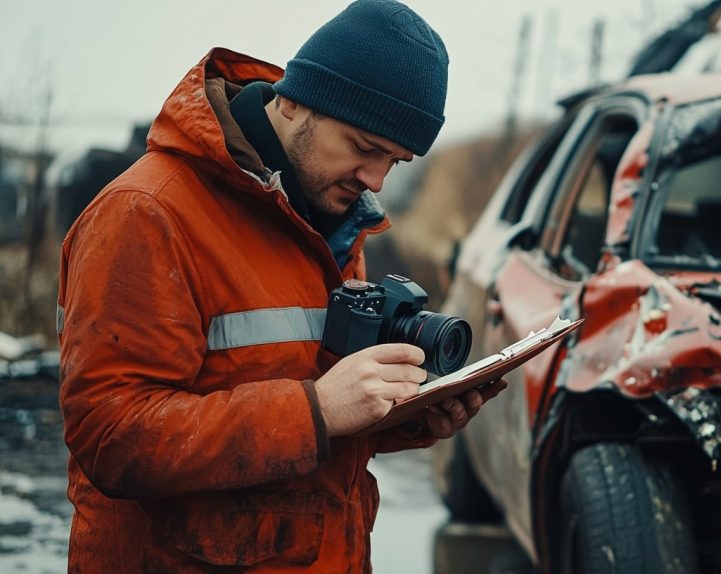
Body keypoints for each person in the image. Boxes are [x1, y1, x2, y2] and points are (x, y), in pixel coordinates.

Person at [56, 1, 506, 571]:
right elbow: (112, 439)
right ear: (293, 99)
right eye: (366, 147)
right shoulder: (146, 214)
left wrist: (405, 414)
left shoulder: (331, 216)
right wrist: (315, 410)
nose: (376, 180)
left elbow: (311, 407)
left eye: (395, 160)